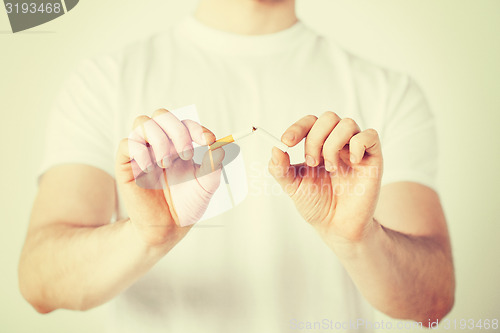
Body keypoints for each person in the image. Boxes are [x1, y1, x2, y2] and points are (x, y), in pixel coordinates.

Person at [18, 0, 455, 332]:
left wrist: (360, 238)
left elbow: (434, 301)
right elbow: (39, 282)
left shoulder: (387, 92)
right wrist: (145, 235)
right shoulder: (105, 81)